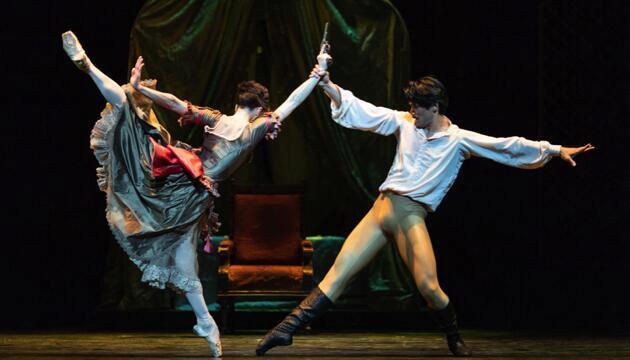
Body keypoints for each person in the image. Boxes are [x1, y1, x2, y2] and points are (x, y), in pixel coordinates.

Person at [256, 60, 594, 357]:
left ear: (435, 107)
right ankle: (285, 330)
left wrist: (554, 149)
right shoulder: (404, 122)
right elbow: (364, 111)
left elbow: (507, 147)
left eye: (418, 106)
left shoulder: (459, 140)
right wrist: (328, 85)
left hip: (410, 215)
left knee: (429, 288)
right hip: (380, 211)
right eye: (411, 105)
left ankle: (453, 337)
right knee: (337, 275)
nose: (412, 110)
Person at [63, 31, 330, 358]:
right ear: (259, 108)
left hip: (176, 176)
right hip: (193, 192)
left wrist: (140, 88)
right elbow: (291, 103)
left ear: (236, 104)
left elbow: (175, 102)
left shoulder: (216, 118)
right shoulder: (253, 130)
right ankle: (205, 321)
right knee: (183, 260)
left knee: (128, 109)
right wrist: (316, 75)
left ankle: (205, 321)